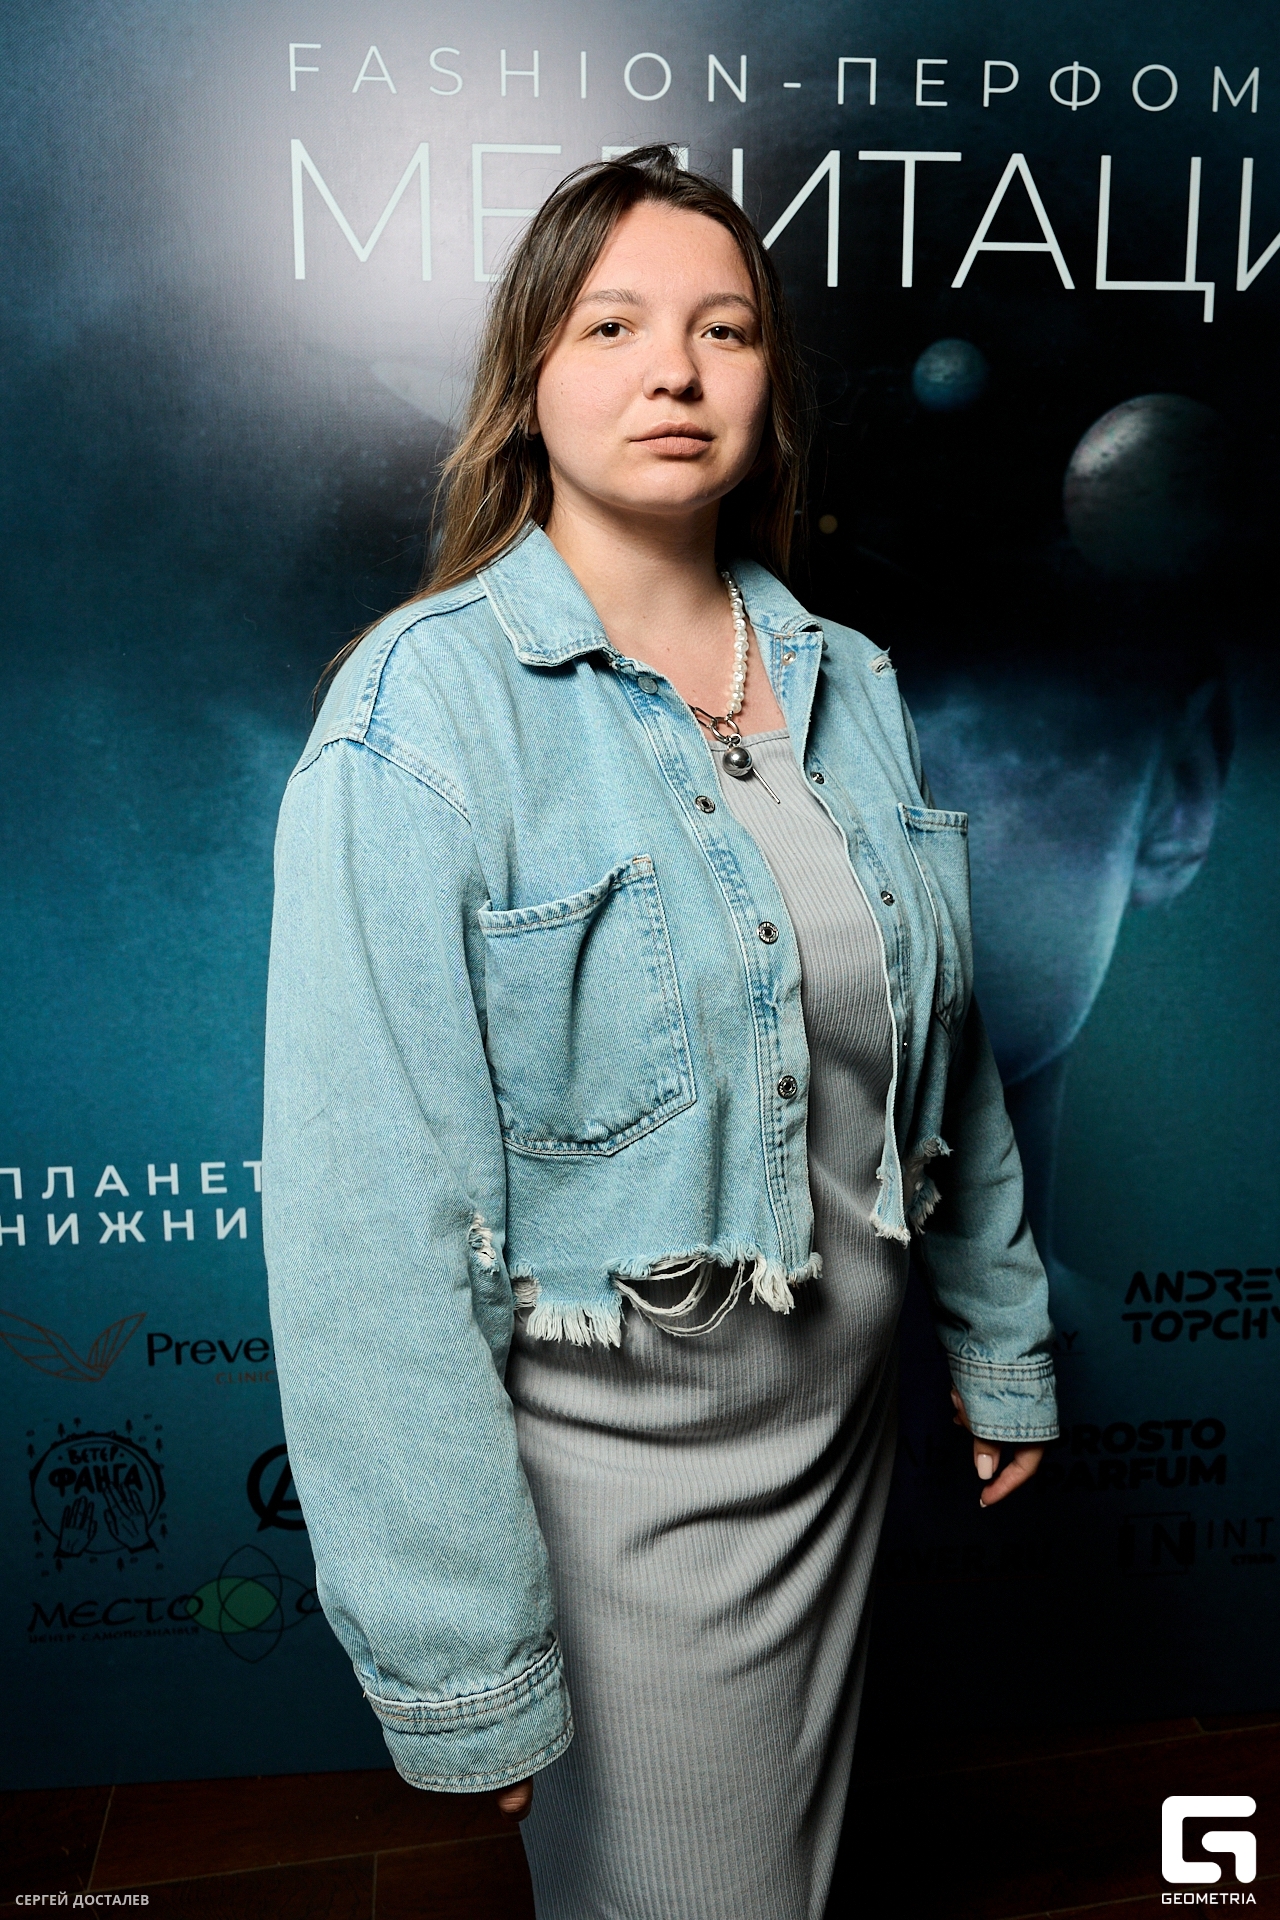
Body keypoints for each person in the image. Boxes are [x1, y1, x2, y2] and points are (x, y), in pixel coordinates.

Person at [262, 147, 1058, 1920]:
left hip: (837, 1434)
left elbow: (948, 1052)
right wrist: (464, 1654)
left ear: (773, 388)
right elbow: (366, 1228)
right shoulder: (418, 717)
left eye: (725, 330)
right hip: (615, 1481)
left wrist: (999, 1336)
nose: (675, 373)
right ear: (530, 377)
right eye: (613, 326)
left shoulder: (849, 675)